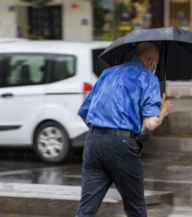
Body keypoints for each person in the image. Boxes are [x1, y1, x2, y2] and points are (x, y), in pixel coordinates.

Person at [76, 42, 173, 217]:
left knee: (86, 210)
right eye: (155, 65)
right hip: (121, 145)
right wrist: (163, 111)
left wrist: (102, 130)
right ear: (151, 62)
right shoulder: (147, 77)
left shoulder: (107, 73)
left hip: (93, 142)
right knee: (136, 209)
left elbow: (84, 112)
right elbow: (151, 123)